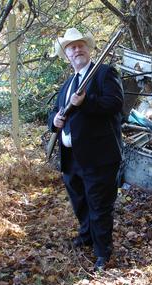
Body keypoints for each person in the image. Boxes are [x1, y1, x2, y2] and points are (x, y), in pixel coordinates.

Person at [48, 28, 123, 271]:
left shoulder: (103, 73)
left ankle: (103, 252)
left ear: (88, 49)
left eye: (80, 45)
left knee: (99, 205)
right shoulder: (68, 84)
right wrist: (54, 122)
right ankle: (86, 236)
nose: (77, 50)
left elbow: (115, 105)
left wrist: (86, 102)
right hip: (71, 156)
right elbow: (57, 111)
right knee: (80, 202)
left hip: (99, 156)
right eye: (71, 47)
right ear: (67, 54)